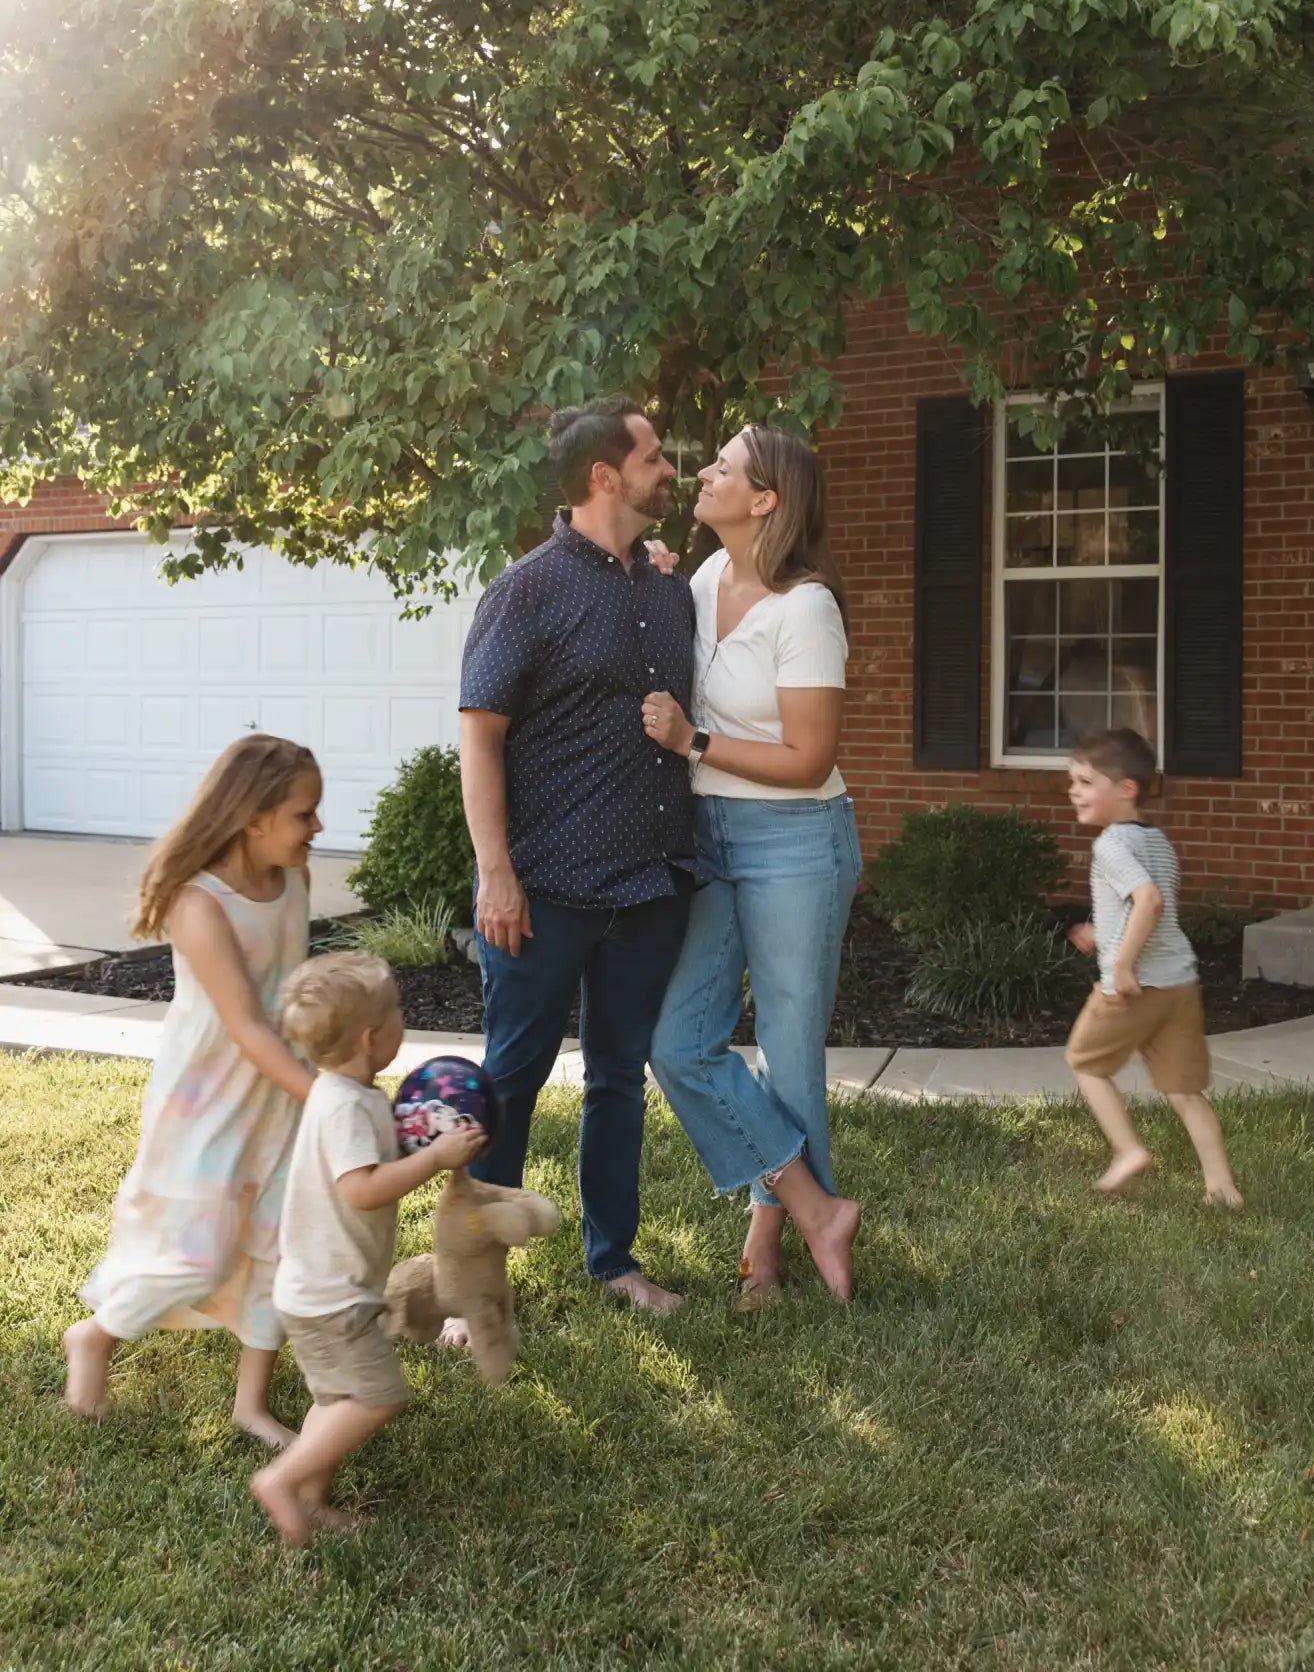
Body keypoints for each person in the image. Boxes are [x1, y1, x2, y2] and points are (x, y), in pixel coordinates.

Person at [455, 395, 696, 1322]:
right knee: (510, 1080)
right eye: (654, 457)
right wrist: (495, 871)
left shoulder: (669, 589)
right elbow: (480, 736)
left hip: (648, 884)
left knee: (616, 1078)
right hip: (544, 887)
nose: (668, 470)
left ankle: (613, 1261)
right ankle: (474, 1281)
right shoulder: (527, 589)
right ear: (606, 476)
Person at [643, 426, 863, 1308]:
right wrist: (649, 580)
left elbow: (809, 758)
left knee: (789, 1055)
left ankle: (767, 1249)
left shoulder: (805, 608)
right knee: (678, 1044)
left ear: (765, 499)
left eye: (724, 468)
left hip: (797, 841)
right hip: (715, 836)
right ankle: (817, 1206)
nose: (704, 473)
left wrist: (693, 741)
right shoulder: (704, 578)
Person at [63, 734, 324, 1443]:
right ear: (254, 817)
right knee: (197, 1249)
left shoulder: (293, 879)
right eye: (305, 814)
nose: (319, 828)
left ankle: (252, 1405)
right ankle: (96, 1335)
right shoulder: (198, 902)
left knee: (278, 1241)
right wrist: (324, 1096)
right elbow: (244, 1024)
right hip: (209, 1100)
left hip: (282, 1091)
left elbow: (288, 995)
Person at [251, 952, 485, 1545]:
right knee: (377, 1396)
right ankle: (282, 1479)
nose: (405, 1018)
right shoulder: (346, 1108)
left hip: (317, 1288)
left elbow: (378, 1166)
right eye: (399, 1010)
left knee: (335, 1398)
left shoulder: (351, 1095)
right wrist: (434, 1160)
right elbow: (361, 1189)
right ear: (372, 1036)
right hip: (332, 1296)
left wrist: (433, 1144)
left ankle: (309, 1497)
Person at [1064, 727, 1243, 1209]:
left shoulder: (1110, 845)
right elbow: (1143, 911)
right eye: (1072, 781)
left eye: (1084, 781)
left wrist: (1120, 964)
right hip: (1179, 983)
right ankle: (1221, 1187)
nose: (1073, 791)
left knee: (1085, 1063)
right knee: (1184, 1091)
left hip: (1134, 987)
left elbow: (1149, 900)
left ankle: (1128, 1150)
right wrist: (1101, 931)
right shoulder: (1157, 841)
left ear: (1126, 790)